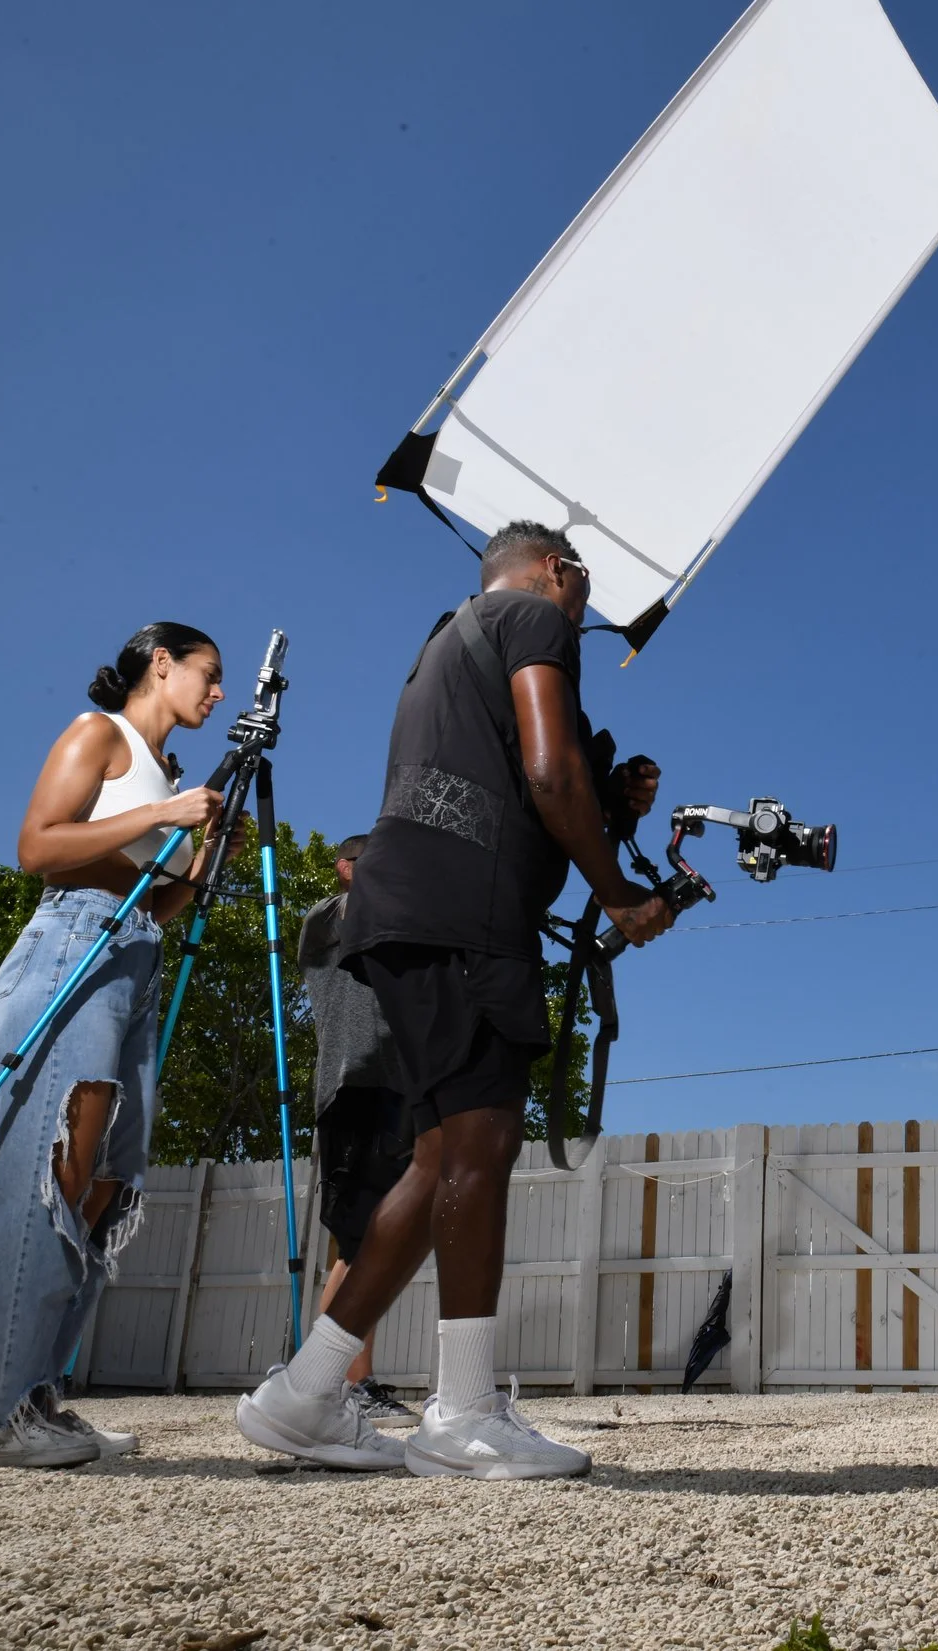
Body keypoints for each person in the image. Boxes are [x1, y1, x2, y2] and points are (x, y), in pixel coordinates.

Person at [237, 521, 669, 1477]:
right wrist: (623, 892)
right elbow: (550, 775)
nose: (583, 612)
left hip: (405, 908)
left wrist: (609, 806)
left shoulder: (450, 637)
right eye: (582, 589)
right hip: (463, 917)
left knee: (441, 1155)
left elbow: (533, 781)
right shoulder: (534, 617)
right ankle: (463, 1415)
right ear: (559, 571)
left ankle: (304, 1396)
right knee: (477, 1143)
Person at [0, 624, 229, 1467]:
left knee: (106, 1183)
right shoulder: (100, 736)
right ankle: (1, 1414)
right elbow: (39, 847)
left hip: (133, 958)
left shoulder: (174, 776)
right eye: (208, 674)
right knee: (51, 1168)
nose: (216, 693)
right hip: (68, 946)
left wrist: (206, 848)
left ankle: (43, 1393)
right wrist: (160, 816)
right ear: (161, 663)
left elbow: (162, 907)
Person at [297, 833, 418, 1429]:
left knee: (376, 1244)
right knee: (359, 1243)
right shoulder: (326, 921)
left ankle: (344, 1379)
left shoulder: (393, 932)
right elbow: (347, 910)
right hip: (352, 1090)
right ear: (345, 869)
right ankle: (334, 1383)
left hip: (396, 1092)